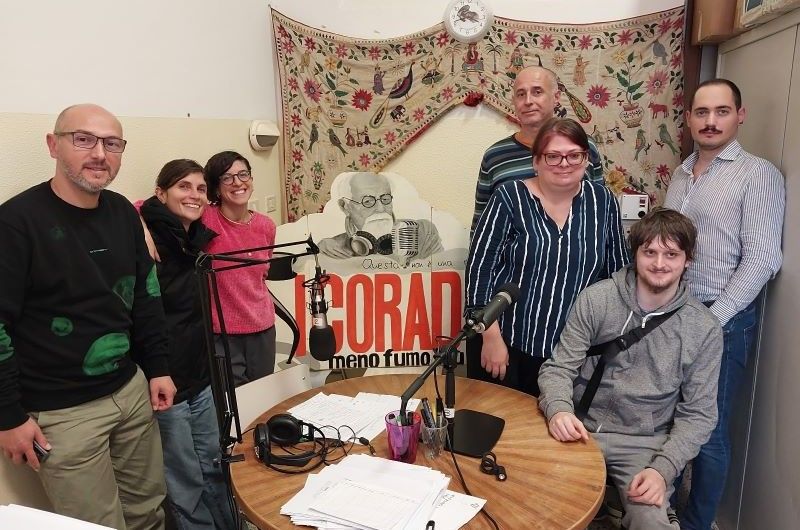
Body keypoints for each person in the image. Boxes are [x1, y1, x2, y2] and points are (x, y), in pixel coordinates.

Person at [0, 103, 176, 529]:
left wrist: (158, 367)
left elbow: (146, 295)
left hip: (130, 393)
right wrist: (7, 417)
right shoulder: (15, 223)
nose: (99, 153)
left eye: (112, 144)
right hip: (62, 414)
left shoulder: (122, 212)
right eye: (84, 140)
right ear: (53, 145)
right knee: (95, 525)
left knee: (149, 511)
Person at [538, 208, 723, 530]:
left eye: (671, 254)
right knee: (535, 502)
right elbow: (558, 369)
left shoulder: (704, 328)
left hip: (644, 441)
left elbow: (699, 414)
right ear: (635, 254)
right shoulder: (597, 300)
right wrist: (558, 411)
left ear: (688, 260)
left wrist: (662, 470)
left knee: (650, 521)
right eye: (649, 252)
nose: (659, 263)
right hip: (580, 426)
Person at [663, 78, 785, 530]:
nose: (710, 121)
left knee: (709, 430)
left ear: (740, 115)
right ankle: (661, 512)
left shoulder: (757, 174)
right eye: (701, 112)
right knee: (669, 417)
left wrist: (713, 319)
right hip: (675, 313)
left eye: (721, 111)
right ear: (689, 118)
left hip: (723, 319)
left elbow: (763, 258)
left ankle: (697, 524)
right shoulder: (681, 173)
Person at [465, 117, 628, 395]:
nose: (564, 164)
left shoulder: (603, 202)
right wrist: (490, 337)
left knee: (557, 420)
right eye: (553, 156)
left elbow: (618, 274)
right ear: (536, 161)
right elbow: (479, 268)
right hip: (506, 342)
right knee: (500, 420)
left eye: (574, 155)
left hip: (572, 351)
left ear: (586, 160)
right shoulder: (509, 197)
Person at [140, 159, 235, 529]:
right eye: (183, 186)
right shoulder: (147, 241)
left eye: (200, 188)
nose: (194, 195)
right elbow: (120, 204)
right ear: (161, 193)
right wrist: (138, 221)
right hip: (167, 382)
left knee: (215, 466)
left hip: (201, 376)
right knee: (185, 480)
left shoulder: (196, 239)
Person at [471, 65, 604, 233]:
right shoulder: (494, 156)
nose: (528, 101)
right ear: (514, 101)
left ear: (556, 97)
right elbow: (481, 225)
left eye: (537, 92)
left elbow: (600, 211)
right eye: (521, 94)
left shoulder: (583, 147)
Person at [204, 151, 278, 387]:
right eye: (227, 178)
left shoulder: (266, 226)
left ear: (251, 180)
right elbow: (145, 206)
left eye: (243, 174)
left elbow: (261, 276)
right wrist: (144, 230)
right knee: (233, 400)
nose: (237, 182)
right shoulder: (206, 219)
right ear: (216, 188)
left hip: (263, 328)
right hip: (223, 333)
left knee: (263, 396)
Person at [317, 172, 443, 263]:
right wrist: (319, 252)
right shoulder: (332, 248)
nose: (381, 208)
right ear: (345, 206)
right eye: (367, 201)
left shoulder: (423, 232)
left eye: (385, 199)